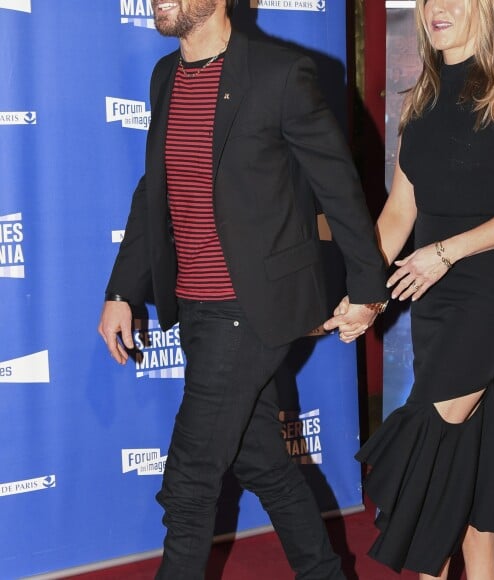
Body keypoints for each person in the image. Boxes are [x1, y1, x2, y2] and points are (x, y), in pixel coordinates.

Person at [97, 0, 388, 578]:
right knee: (262, 464)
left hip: (252, 308)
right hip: (197, 307)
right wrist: (121, 290)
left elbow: (339, 188)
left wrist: (367, 289)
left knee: (189, 478)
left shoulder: (280, 74)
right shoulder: (166, 76)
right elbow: (153, 190)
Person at [355, 0, 494, 578]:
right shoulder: (420, 98)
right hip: (431, 298)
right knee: (463, 454)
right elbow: (397, 215)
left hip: (482, 293)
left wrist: (446, 251)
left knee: (425, 451)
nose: (437, 7)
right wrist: (362, 291)